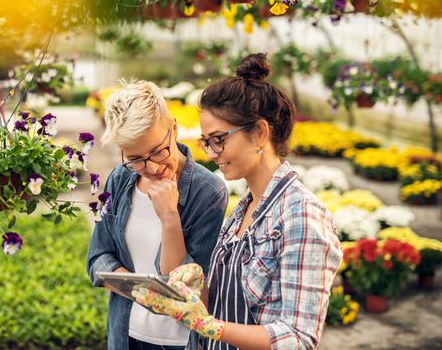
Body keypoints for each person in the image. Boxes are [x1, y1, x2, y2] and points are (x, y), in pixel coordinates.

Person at [133, 54, 342, 350]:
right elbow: (218, 304)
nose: (211, 153)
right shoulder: (242, 211)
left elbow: (298, 337)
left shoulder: (302, 216)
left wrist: (208, 326)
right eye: (206, 142)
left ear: (259, 133)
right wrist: (189, 288)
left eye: (219, 139)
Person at [87, 79, 228, 350]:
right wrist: (143, 294)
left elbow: (187, 289)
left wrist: (169, 218)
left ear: (173, 128)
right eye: (136, 158)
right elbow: (97, 258)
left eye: (157, 151)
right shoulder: (119, 179)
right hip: (125, 334)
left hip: (178, 341)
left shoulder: (208, 193)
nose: (150, 167)